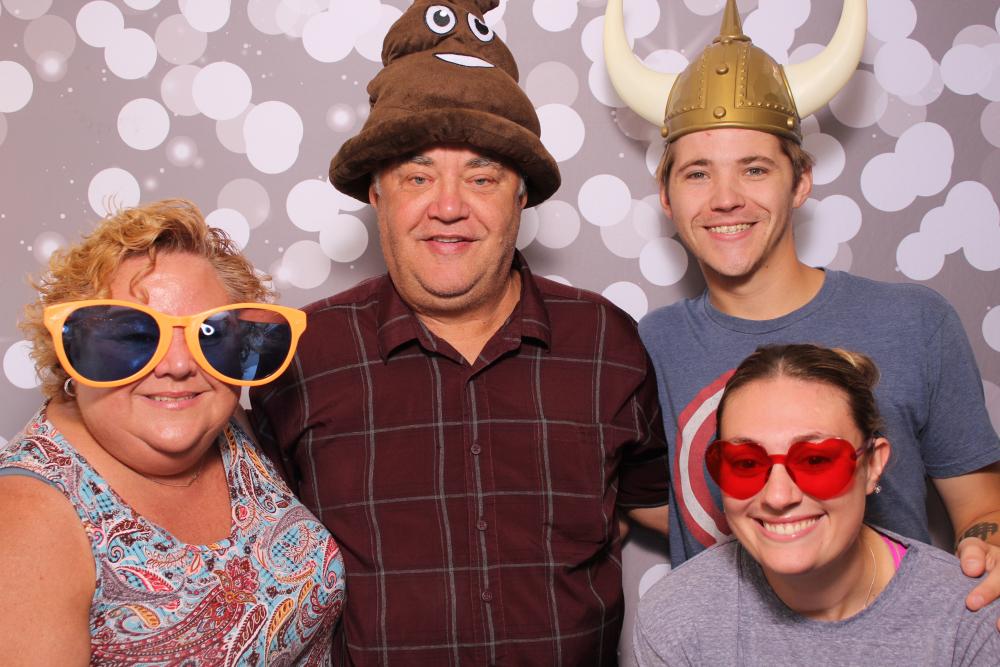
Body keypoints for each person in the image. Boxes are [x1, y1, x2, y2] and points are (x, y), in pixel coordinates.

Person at [250, 0, 669, 663]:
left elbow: (659, 504)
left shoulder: (607, 343)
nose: (448, 206)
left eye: (482, 177)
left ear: (521, 194)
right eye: (418, 176)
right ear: (376, 193)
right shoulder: (302, 355)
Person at [604, 0, 1000, 618]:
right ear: (666, 193)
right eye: (698, 174)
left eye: (754, 169)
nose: (726, 198)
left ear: (801, 181)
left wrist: (989, 544)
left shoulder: (915, 322)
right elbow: (659, 498)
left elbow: (980, 507)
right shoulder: (643, 346)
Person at [0, 199, 346, 664]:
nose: (180, 365)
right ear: (70, 353)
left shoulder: (224, 421)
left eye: (209, 335)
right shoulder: (24, 521)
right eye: (133, 337)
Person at [634, 344, 1000, 665]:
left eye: (815, 460)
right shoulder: (677, 615)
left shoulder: (969, 613)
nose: (778, 497)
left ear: (873, 465)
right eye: (746, 463)